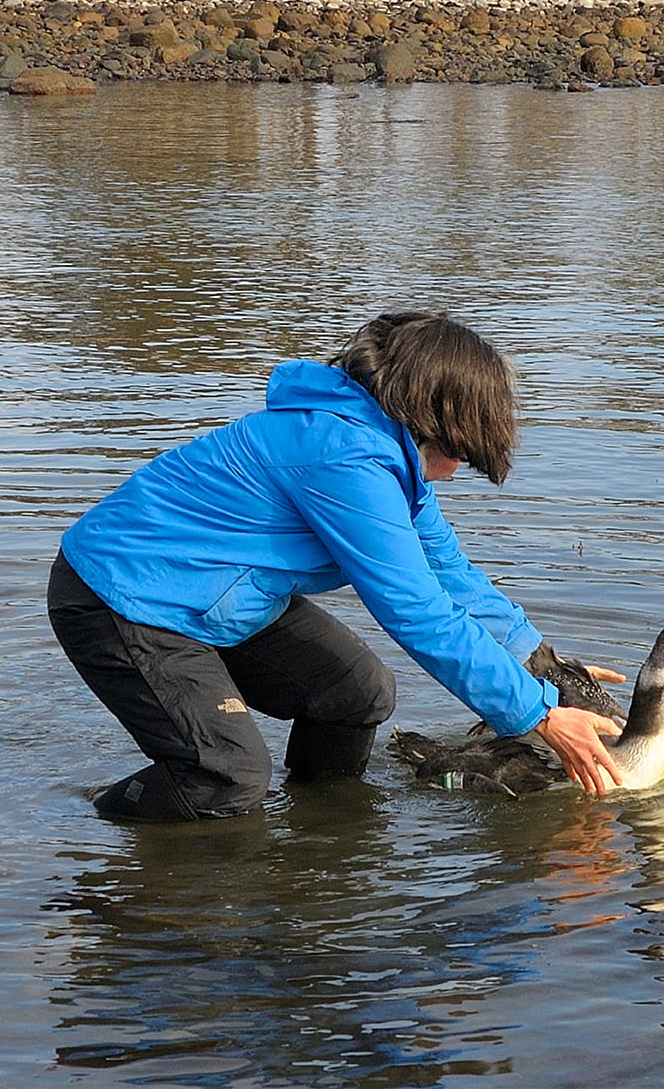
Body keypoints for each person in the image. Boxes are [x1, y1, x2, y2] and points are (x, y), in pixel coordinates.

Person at [48, 311, 623, 822]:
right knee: (228, 777)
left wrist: (544, 667)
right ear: (432, 418)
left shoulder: (384, 452)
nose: (459, 467)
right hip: (121, 599)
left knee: (356, 691)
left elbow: (449, 570)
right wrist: (537, 716)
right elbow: (418, 613)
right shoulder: (344, 458)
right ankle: (85, 812)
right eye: (463, 451)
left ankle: (319, 830)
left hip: (211, 596)